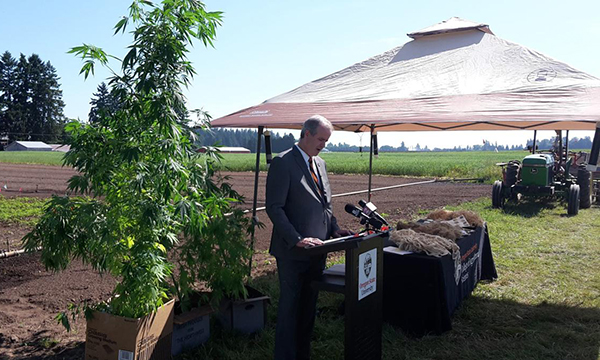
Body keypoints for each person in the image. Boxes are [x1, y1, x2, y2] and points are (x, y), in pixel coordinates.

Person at [266, 115, 352, 360]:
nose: (323, 144)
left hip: (318, 249)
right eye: (321, 139)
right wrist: (296, 239)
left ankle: (302, 353)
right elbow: (275, 208)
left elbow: (326, 204)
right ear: (306, 134)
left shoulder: (320, 164)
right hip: (293, 251)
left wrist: (334, 228)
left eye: (327, 140)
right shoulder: (283, 163)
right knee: (290, 308)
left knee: (308, 307)